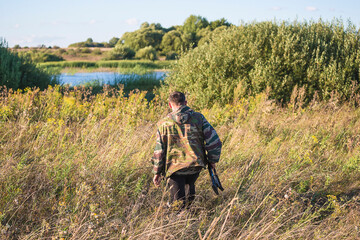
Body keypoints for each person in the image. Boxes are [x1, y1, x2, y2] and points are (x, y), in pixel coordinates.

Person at [151, 91, 222, 209]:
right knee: (189, 195)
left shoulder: (163, 123)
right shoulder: (199, 118)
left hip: (174, 169)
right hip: (195, 166)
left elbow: (159, 151)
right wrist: (212, 160)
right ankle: (191, 220)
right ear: (185, 103)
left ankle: (180, 222)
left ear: (170, 105)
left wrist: (156, 172)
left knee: (177, 205)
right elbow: (215, 142)